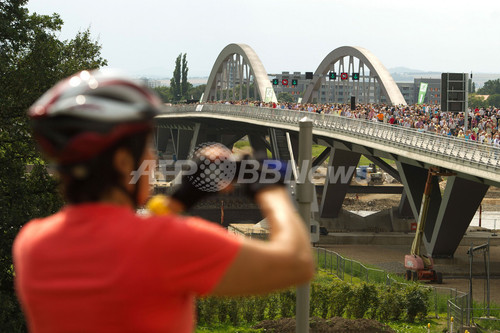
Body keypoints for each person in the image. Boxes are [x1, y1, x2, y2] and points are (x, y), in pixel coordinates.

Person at [13, 69, 314, 333]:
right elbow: (297, 264)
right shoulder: (167, 244)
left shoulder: (32, 244)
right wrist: (269, 188)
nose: (153, 158)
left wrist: (182, 198)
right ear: (121, 161)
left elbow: (122, 246)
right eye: (146, 146)